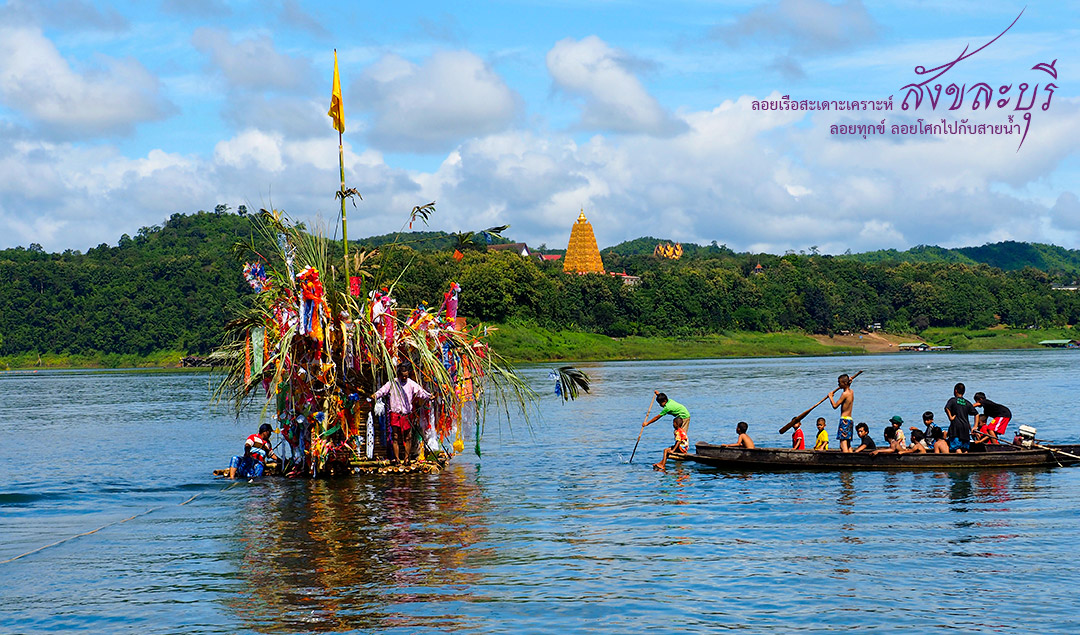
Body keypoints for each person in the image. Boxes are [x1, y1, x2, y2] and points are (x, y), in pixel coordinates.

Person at [372, 363, 432, 465]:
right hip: (395, 413)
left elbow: (421, 392)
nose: (404, 377)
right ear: (399, 374)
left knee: (408, 436)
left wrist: (429, 396)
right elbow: (382, 391)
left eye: (406, 376)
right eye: (403, 375)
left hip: (406, 414)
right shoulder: (393, 383)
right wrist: (375, 395)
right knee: (395, 436)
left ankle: (407, 458)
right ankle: (397, 459)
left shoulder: (411, 384)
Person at [644, 391, 691, 471]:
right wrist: (658, 394)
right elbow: (663, 397)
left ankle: (679, 451)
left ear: (664, 401)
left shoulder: (667, 407)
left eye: (660, 404)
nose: (660, 406)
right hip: (681, 416)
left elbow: (657, 417)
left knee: (680, 435)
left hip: (684, 417)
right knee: (678, 435)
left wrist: (647, 423)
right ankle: (663, 462)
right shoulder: (669, 401)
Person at [944, 382, 977, 453]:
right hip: (965, 428)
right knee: (965, 448)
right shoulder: (967, 402)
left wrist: (950, 417)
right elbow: (976, 414)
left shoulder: (953, 400)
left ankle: (960, 462)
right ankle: (967, 461)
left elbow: (946, 408)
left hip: (956, 427)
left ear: (955, 390)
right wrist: (975, 426)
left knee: (956, 447)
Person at [828, 373, 855, 453]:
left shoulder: (844, 394)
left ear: (845, 383)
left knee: (843, 443)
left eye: (839, 383)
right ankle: (851, 458)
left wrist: (830, 397)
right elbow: (848, 386)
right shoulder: (851, 392)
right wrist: (850, 382)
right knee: (848, 443)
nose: (838, 384)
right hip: (850, 420)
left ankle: (846, 459)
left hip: (844, 420)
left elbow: (835, 405)